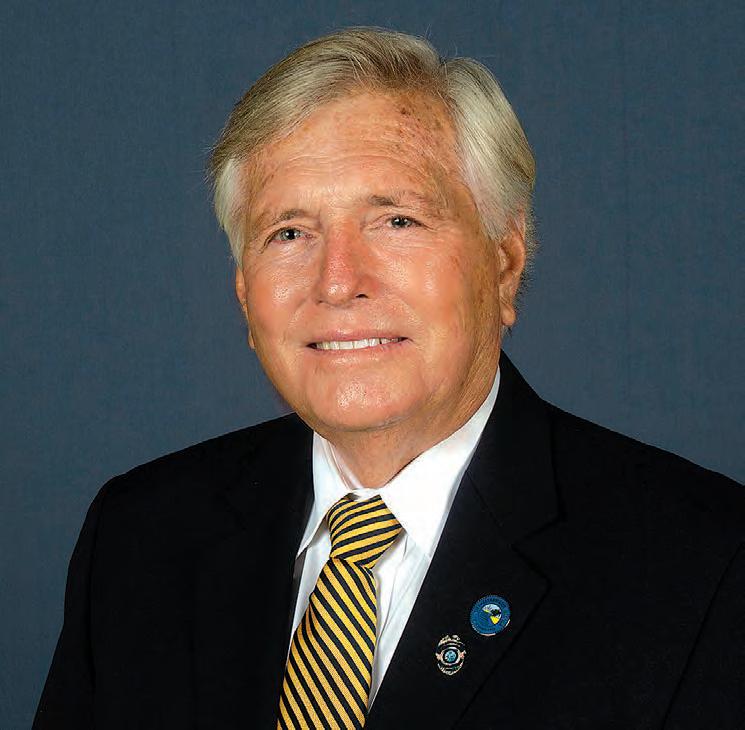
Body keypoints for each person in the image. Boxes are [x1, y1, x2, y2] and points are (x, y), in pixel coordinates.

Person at [34, 27, 744, 730]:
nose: (337, 282)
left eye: (397, 221)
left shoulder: (700, 564)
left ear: (504, 262)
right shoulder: (140, 536)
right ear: (245, 293)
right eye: (289, 233)